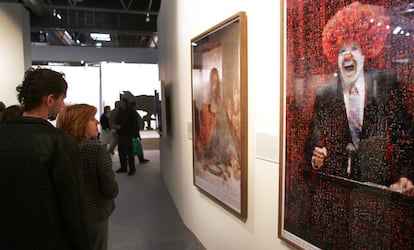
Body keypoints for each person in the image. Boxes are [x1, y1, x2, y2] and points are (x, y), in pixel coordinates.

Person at [304, 2, 413, 193]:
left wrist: (406, 175)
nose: (347, 56)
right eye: (341, 51)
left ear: (364, 51)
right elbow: (311, 142)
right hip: (337, 188)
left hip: (379, 188)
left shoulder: (385, 85)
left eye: (353, 48)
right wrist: (315, 157)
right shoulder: (325, 93)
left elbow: (404, 135)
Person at [0, 68, 90, 249]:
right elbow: (73, 205)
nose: (63, 106)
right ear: (50, 99)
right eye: (62, 99)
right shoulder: (60, 142)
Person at [57, 104, 119, 250]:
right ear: (80, 123)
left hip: (66, 216)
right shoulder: (96, 150)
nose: (97, 122)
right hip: (95, 216)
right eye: (92, 119)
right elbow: (110, 189)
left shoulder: (59, 148)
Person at [195, 67, 240, 179]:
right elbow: (205, 131)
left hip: (221, 142)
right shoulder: (206, 106)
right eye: (213, 82)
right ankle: (232, 161)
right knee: (224, 137)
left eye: (217, 82)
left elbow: (226, 127)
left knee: (227, 135)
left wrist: (229, 113)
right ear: (210, 84)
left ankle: (234, 162)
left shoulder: (220, 103)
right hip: (211, 145)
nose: (215, 86)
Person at [115, 97, 137, 175]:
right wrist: (117, 129)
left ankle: (132, 168)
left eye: (121, 102)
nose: (120, 104)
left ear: (125, 103)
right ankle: (123, 167)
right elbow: (118, 121)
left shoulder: (130, 112)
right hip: (121, 134)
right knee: (121, 151)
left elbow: (131, 123)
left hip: (127, 134)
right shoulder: (120, 112)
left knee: (129, 152)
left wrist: (121, 127)